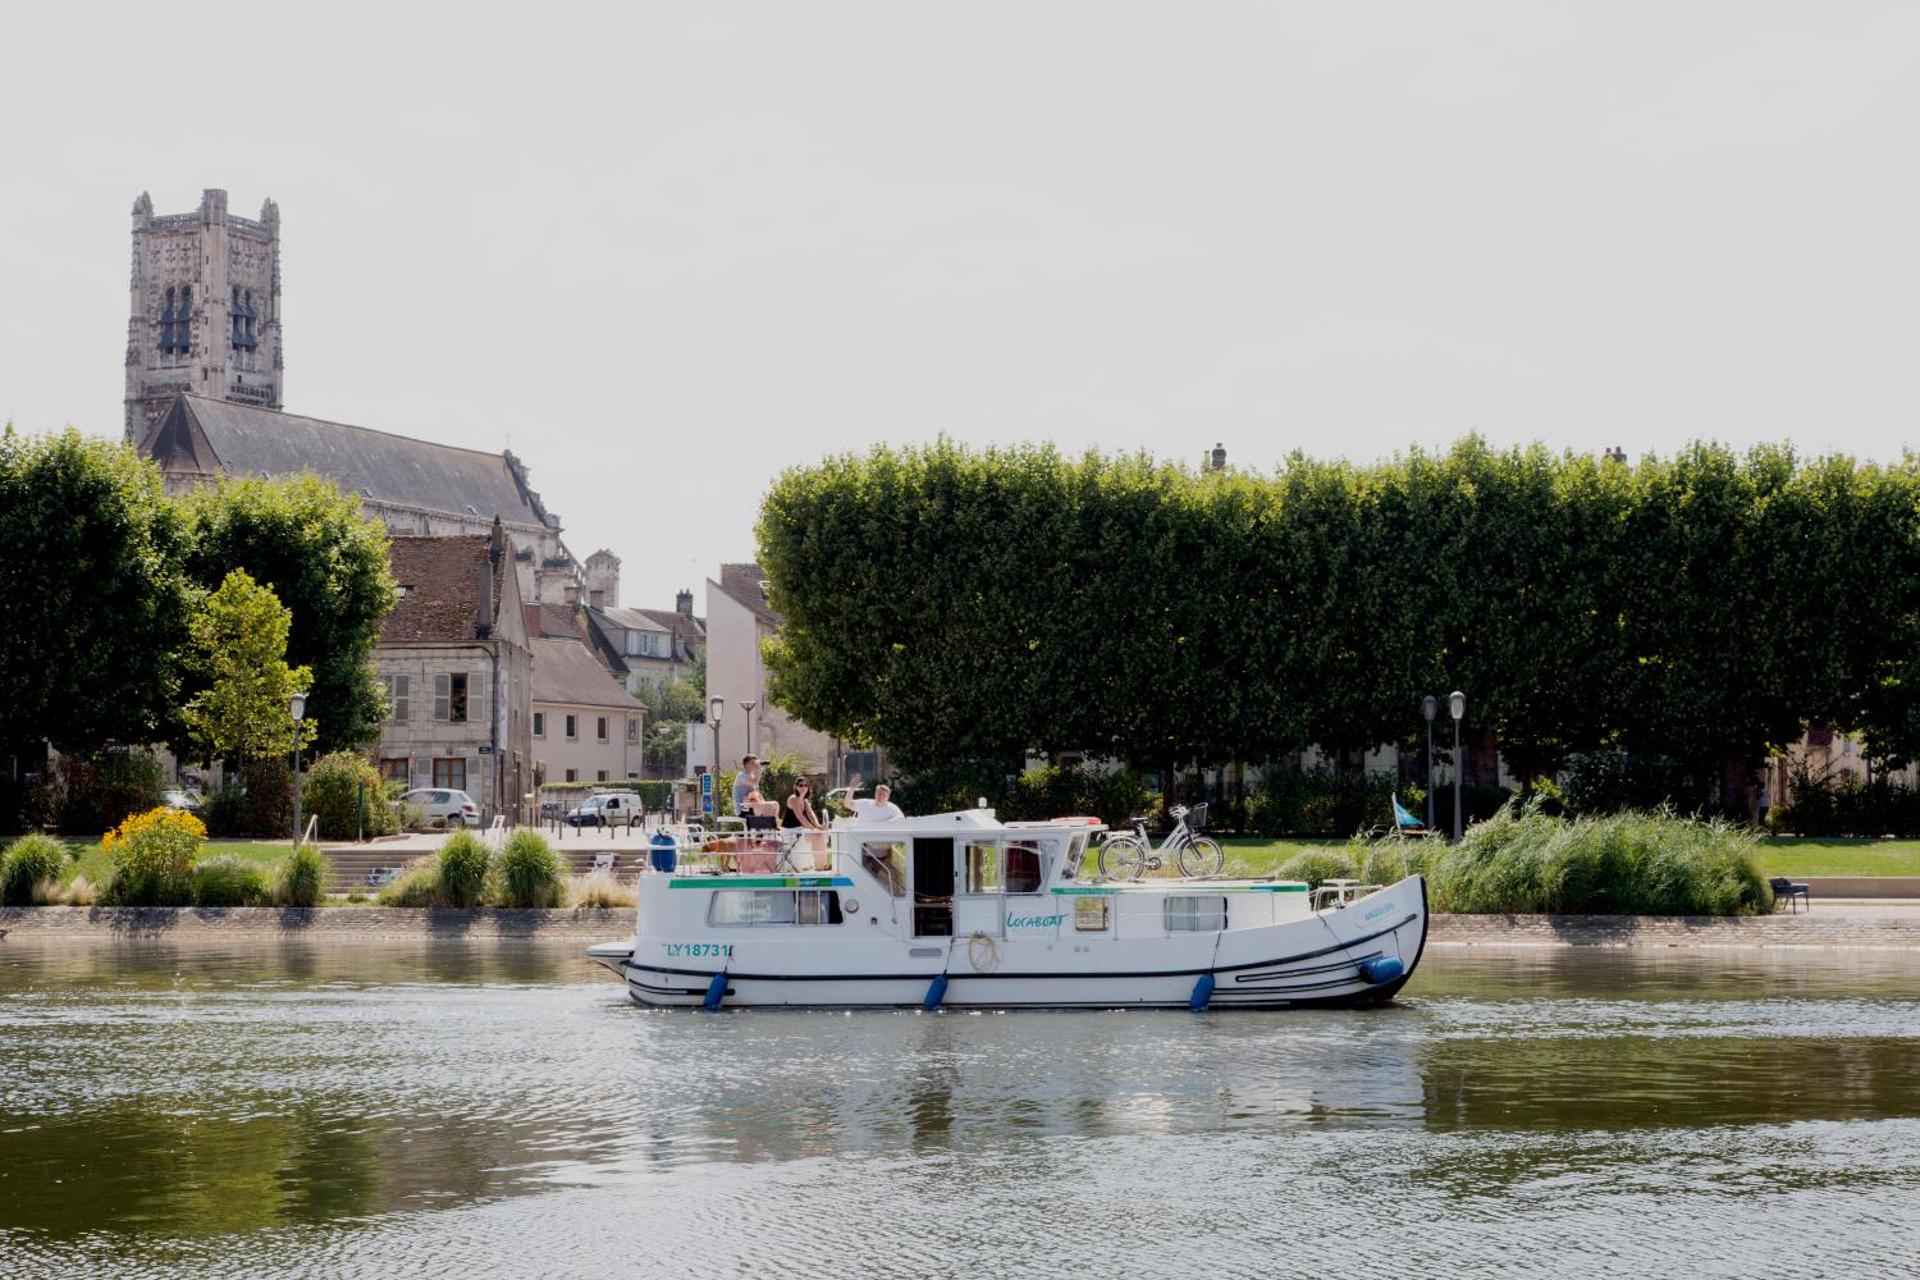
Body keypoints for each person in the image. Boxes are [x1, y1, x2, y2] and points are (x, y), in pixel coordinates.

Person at [783, 777, 829, 867]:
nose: (803, 787)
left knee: (820, 835)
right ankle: (820, 866)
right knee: (817, 836)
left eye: (805, 785)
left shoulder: (805, 801)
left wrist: (818, 826)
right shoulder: (793, 799)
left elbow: (811, 815)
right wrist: (813, 829)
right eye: (801, 785)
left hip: (799, 830)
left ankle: (821, 865)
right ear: (796, 787)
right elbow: (801, 817)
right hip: (789, 832)